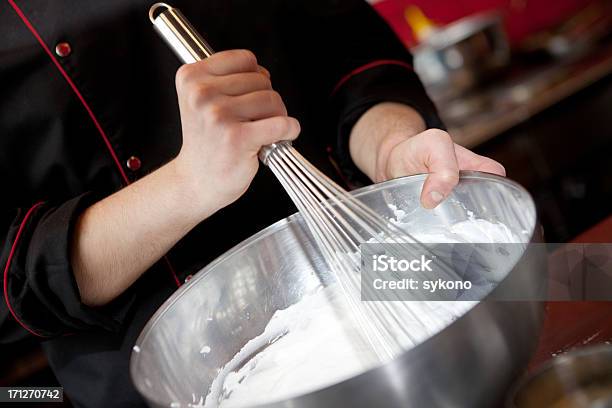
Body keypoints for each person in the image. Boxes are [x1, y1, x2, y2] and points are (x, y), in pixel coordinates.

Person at [0, 0, 504, 406]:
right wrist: (186, 186)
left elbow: (349, 55)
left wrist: (392, 147)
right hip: (160, 387)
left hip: (370, 285)